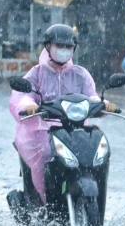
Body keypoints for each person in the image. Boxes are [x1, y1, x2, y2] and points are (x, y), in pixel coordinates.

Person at [8, 24, 117, 204]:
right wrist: (29, 105)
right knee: (45, 154)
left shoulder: (80, 74)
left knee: (98, 154)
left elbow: (92, 97)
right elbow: (21, 96)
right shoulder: (36, 74)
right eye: (60, 46)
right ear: (48, 47)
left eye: (68, 47)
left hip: (75, 131)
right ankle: (43, 204)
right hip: (41, 132)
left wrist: (104, 105)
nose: (64, 50)